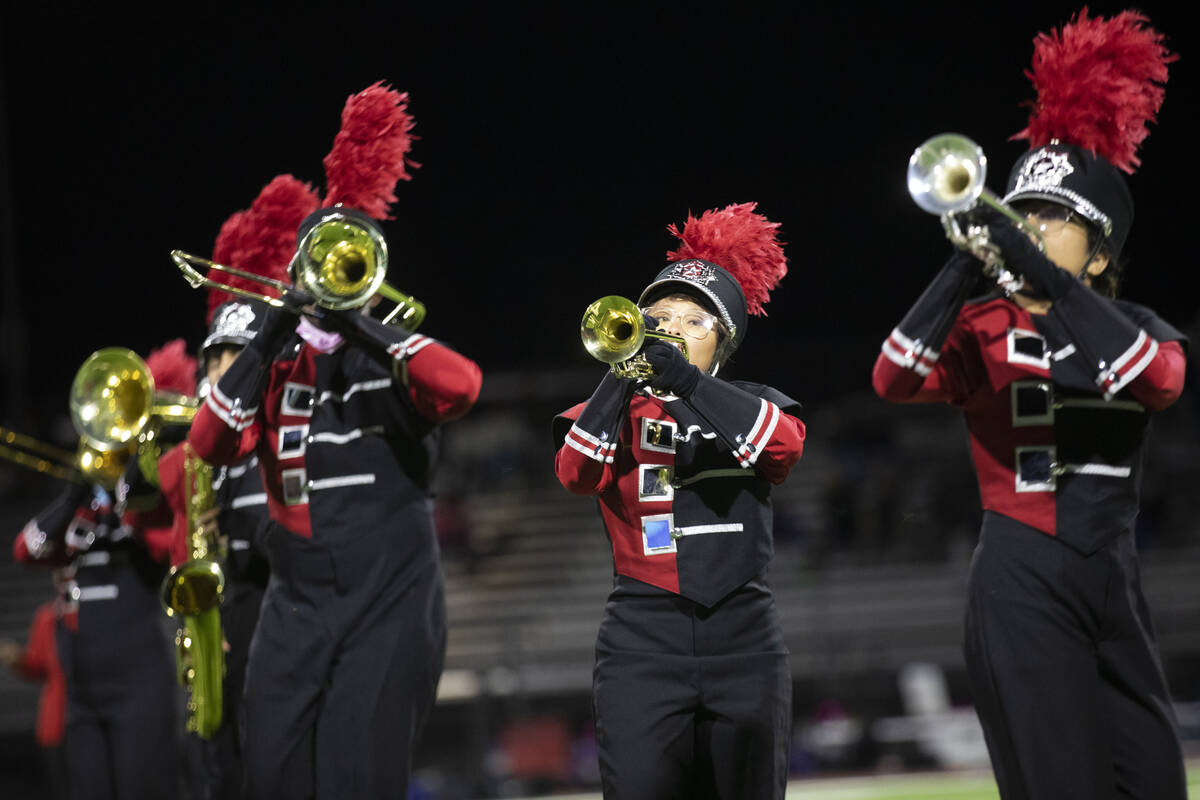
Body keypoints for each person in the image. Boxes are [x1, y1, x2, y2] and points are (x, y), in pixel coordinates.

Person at [872, 10, 1187, 798]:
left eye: (1056, 219)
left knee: (1153, 780)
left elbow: (1159, 381)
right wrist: (963, 259)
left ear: (1104, 246)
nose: (1034, 230)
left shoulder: (1136, 330)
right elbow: (893, 378)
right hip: (1020, 578)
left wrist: (1046, 280)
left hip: (1114, 577)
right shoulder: (981, 328)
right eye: (1026, 215)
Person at [185, 82, 483, 799]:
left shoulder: (392, 353)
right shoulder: (275, 361)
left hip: (391, 598)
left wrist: (359, 320)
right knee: (272, 776)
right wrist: (273, 330)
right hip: (296, 602)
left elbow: (462, 385)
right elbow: (208, 442)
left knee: (356, 779)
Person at [553, 203, 805, 799]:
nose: (671, 330)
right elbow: (575, 473)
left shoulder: (756, 402)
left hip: (745, 636)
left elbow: (782, 452)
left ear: (723, 341)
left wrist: (688, 382)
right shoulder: (610, 409)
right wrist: (622, 371)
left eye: (695, 321)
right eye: (658, 318)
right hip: (641, 640)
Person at [12, 340, 192, 800]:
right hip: (81, 691)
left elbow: (162, 547)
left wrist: (127, 491)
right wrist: (74, 495)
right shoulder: (78, 516)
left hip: (138, 683)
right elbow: (25, 550)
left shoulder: (146, 509)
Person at [156, 300, 274, 800]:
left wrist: (234, 519)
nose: (223, 369)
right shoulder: (201, 451)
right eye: (215, 357)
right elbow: (149, 500)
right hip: (216, 622)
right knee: (217, 768)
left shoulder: (276, 432)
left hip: (269, 613)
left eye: (236, 355)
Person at [0, 574, 71, 800]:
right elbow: (38, 665)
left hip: (92, 718)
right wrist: (18, 659)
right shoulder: (47, 617)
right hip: (56, 725)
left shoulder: (97, 615)